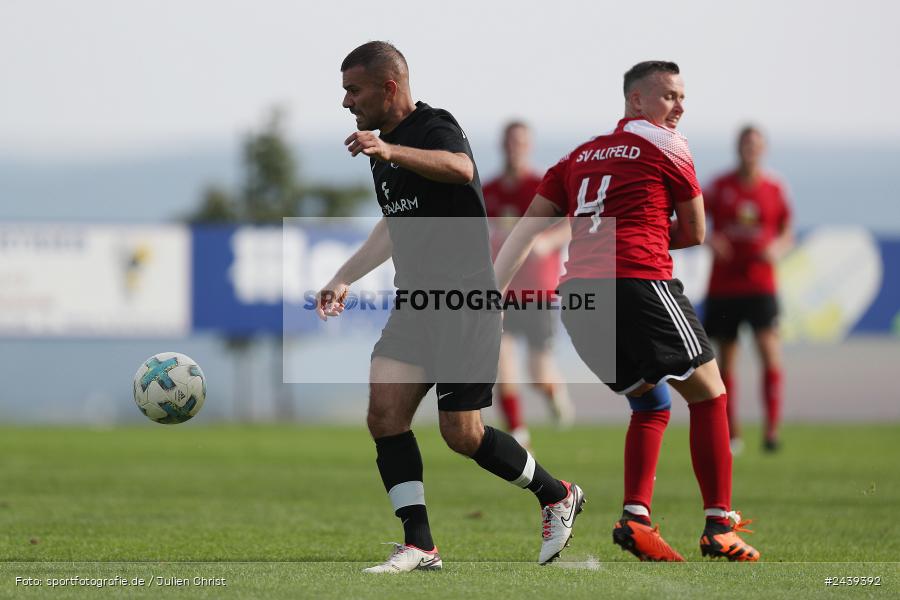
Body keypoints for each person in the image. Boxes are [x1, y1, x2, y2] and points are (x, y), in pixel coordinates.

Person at [317, 41, 583, 573]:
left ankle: (556, 495)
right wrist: (343, 276)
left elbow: (460, 169)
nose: (346, 101)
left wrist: (389, 151)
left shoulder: (433, 126)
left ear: (389, 87)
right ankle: (420, 545)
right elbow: (394, 224)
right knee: (384, 415)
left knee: (462, 434)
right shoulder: (383, 149)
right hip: (414, 305)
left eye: (354, 89)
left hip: (465, 303)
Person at [494, 61, 759, 562]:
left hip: (580, 301)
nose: (679, 107)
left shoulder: (577, 156)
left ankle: (636, 518)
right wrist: (649, 233)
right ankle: (719, 525)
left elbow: (525, 231)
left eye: (682, 97)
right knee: (711, 395)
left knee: (651, 402)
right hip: (638, 283)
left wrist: (491, 296)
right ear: (636, 100)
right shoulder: (667, 144)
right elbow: (697, 232)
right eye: (669, 96)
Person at [482, 121, 574, 446]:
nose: (515, 147)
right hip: (501, 290)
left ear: (529, 146)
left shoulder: (542, 185)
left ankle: (554, 390)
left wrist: (548, 242)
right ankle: (518, 435)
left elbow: (572, 222)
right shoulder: (489, 190)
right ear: (502, 145)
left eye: (521, 141)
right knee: (501, 361)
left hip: (538, 291)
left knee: (538, 375)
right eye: (510, 141)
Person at [704, 126, 793, 454]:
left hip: (760, 284)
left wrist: (777, 249)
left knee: (769, 351)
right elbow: (692, 218)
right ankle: (732, 433)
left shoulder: (774, 188)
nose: (750, 150)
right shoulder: (719, 186)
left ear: (763, 149)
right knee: (726, 360)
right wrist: (710, 239)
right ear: (738, 148)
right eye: (745, 144)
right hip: (725, 285)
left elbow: (786, 232)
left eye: (756, 145)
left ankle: (771, 431)